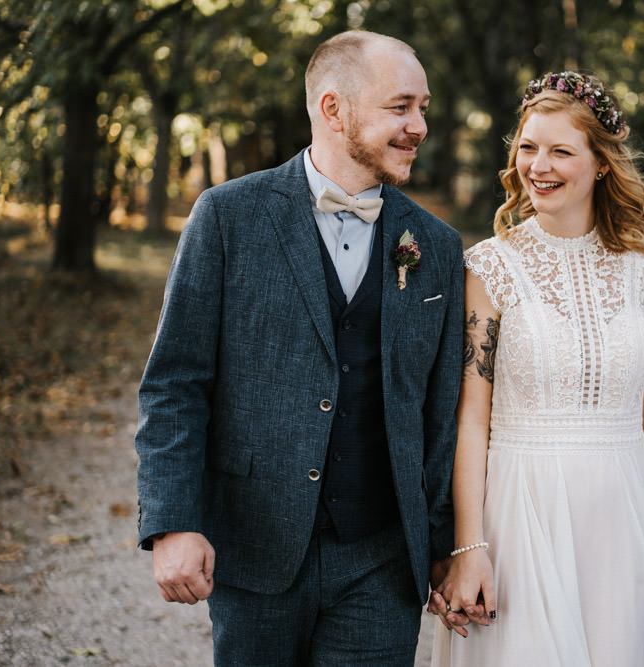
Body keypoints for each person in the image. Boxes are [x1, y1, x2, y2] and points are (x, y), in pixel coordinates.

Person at [134, 30, 465, 666]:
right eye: (400, 107)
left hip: (382, 558)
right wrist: (174, 520)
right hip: (255, 547)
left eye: (424, 107)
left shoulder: (437, 248)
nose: (419, 126)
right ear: (333, 109)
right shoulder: (226, 217)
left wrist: (447, 547)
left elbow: (441, 413)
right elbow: (175, 383)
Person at [430, 71, 644, 665]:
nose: (538, 165)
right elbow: (471, 417)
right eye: (527, 147)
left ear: (601, 163)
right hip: (522, 511)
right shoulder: (490, 268)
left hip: (624, 506)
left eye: (560, 151)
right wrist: (469, 544)